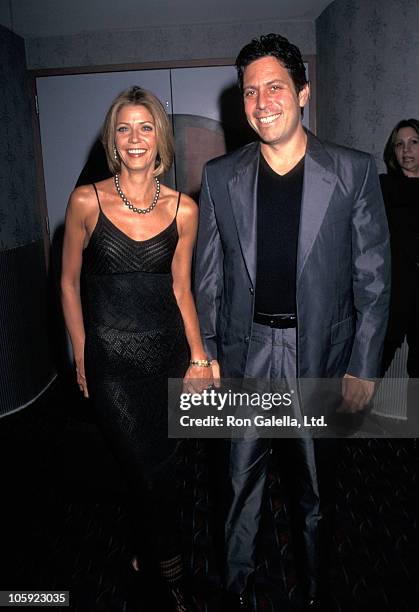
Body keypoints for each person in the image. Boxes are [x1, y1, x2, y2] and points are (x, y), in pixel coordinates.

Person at [194, 34, 390, 611]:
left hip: (320, 358)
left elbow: (373, 282)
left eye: (275, 86)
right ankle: (235, 591)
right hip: (246, 355)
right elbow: (208, 281)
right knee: (236, 486)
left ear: (303, 92)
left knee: (315, 492)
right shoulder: (219, 176)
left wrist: (364, 367)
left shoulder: (353, 171)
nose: (262, 101)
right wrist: (205, 357)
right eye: (250, 92)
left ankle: (314, 593)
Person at [61, 85, 212, 612]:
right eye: (124, 128)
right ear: (112, 139)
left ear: (160, 140)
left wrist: (197, 357)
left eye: (145, 127)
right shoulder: (86, 201)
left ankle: (143, 557)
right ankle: (171, 584)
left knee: (161, 471)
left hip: (167, 358)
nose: (135, 138)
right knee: (149, 474)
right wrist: (81, 353)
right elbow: (68, 284)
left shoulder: (184, 209)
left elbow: (181, 289)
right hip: (112, 366)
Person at [380, 119, 419, 397]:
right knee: (373, 365)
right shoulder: (382, 188)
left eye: (414, 142)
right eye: (399, 144)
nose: (406, 150)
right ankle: (344, 433)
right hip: (392, 291)